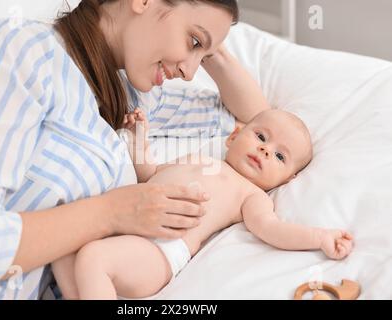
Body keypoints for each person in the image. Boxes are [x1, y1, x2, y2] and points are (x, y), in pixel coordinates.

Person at [0, 0, 266, 299]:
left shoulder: (133, 96)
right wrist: (111, 213)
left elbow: (257, 121)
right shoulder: (20, 49)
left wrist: (213, 46)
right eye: (192, 41)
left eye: (203, 56)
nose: (190, 73)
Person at [52, 106, 354, 300]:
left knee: (94, 258)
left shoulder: (251, 194)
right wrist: (138, 138)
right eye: (261, 136)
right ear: (233, 136)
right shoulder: (201, 159)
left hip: (160, 250)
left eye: (279, 156)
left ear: (287, 180)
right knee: (63, 244)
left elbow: (271, 229)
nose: (264, 149)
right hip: (128, 228)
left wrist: (320, 237)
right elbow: (150, 174)